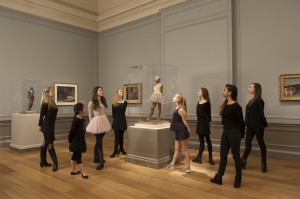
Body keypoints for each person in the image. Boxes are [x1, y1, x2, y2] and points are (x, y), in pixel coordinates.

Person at [210, 84, 245, 188]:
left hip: (234, 132)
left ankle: (238, 177)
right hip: (225, 132)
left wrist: (240, 135)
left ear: (230, 92)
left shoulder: (237, 107)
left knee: (236, 156)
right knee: (223, 156)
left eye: (225, 90)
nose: (223, 91)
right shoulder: (225, 105)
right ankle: (219, 177)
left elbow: (241, 123)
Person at [242, 83, 268, 172]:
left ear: (255, 89)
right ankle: (243, 160)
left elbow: (261, 114)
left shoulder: (260, 101)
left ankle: (264, 163)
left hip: (258, 126)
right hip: (250, 126)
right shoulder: (250, 100)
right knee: (247, 143)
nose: (248, 88)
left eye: (250, 87)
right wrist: (246, 124)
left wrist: (265, 124)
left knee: (261, 144)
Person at [86, 86, 111, 170]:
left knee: (99, 141)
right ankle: (100, 162)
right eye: (100, 90)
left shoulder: (103, 100)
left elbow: (104, 111)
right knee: (99, 142)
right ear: (96, 91)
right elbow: (90, 115)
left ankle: (96, 158)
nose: (102, 91)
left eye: (102, 90)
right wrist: (91, 124)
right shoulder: (91, 102)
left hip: (103, 120)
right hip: (96, 122)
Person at [167, 93, 192, 173]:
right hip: (178, 131)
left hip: (182, 131)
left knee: (185, 149)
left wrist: (188, 129)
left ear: (178, 99)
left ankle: (188, 166)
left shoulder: (181, 109)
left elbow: (184, 120)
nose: (173, 97)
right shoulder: (177, 108)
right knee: (177, 149)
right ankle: (172, 164)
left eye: (175, 96)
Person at [192, 88, 215, 165]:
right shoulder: (198, 102)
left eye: (199, 91)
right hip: (199, 122)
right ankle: (199, 157)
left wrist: (209, 122)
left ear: (203, 93)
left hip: (205, 123)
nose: (197, 92)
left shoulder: (207, 103)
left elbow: (209, 113)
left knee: (208, 140)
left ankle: (210, 158)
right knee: (201, 141)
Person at [38, 87, 58, 172]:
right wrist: (40, 126)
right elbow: (41, 116)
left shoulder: (53, 103)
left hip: (51, 126)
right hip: (46, 126)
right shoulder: (45, 104)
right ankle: (55, 163)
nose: (54, 92)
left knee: (45, 143)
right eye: (52, 91)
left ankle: (43, 161)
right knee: (50, 144)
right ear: (47, 93)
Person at [68, 103, 88, 179]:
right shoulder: (75, 121)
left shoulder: (82, 120)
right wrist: (70, 140)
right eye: (84, 108)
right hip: (76, 142)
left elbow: (82, 131)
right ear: (80, 111)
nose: (85, 109)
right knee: (78, 157)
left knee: (74, 156)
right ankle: (84, 173)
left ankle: (73, 170)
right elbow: (71, 132)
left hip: (80, 140)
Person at [110, 89, 128, 158]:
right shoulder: (114, 103)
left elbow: (123, 110)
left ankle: (121, 149)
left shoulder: (125, 102)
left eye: (122, 91)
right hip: (116, 122)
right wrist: (116, 119)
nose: (122, 92)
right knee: (117, 137)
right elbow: (113, 114)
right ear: (117, 93)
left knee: (121, 137)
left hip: (122, 121)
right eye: (120, 91)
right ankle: (115, 151)